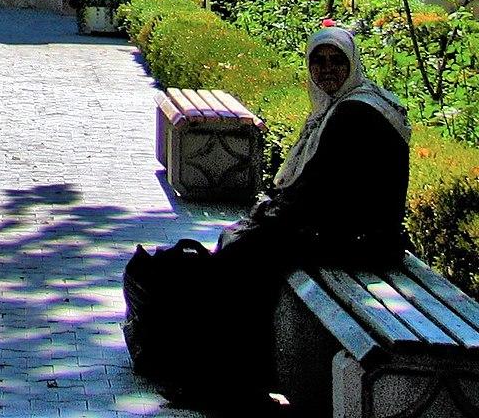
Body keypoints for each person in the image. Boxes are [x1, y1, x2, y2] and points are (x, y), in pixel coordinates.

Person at [124, 25, 411, 410]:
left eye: (337, 61)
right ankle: (228, 379)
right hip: (351, 232)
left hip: (363, 242)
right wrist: (267, 218)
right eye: (318, 61)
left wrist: (265, 222)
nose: (327, 70)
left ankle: (225, 385)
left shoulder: (356, 114)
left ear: (352, 64)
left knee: (243, 264)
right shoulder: (344, 107)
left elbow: (318, 193)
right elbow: (316, 190)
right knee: (242, 252)